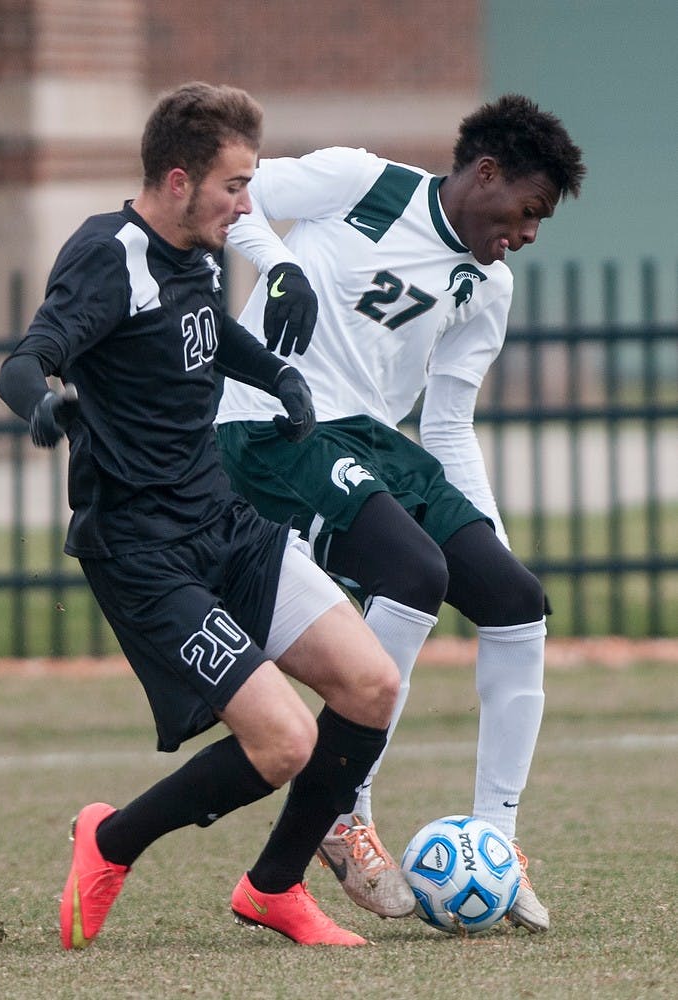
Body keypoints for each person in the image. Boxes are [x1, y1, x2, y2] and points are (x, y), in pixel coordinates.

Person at [0, 81, 402, 949]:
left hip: (222, 521)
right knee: (285, 740)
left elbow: (207, 331)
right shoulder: (108, 254)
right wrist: (43, 404)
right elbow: (27, 358)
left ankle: (274, 889)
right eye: (234, 186)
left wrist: (279, 377)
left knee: (372, 686)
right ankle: (109, 842)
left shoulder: (199, 247)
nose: (247, 204)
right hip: (143, 550)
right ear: (178, 181)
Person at [215, 94, 586, 931]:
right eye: (527, 211)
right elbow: (234, 198)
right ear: (485, 174)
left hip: (376, 442)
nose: (527, 234)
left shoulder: (488, 285)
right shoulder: (362, 183)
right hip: (274, 425)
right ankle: (346, 813)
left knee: (516, 600)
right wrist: (280, 266)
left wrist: (483, 533)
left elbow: (448, 422)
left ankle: (498, 837)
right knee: (412, 572)